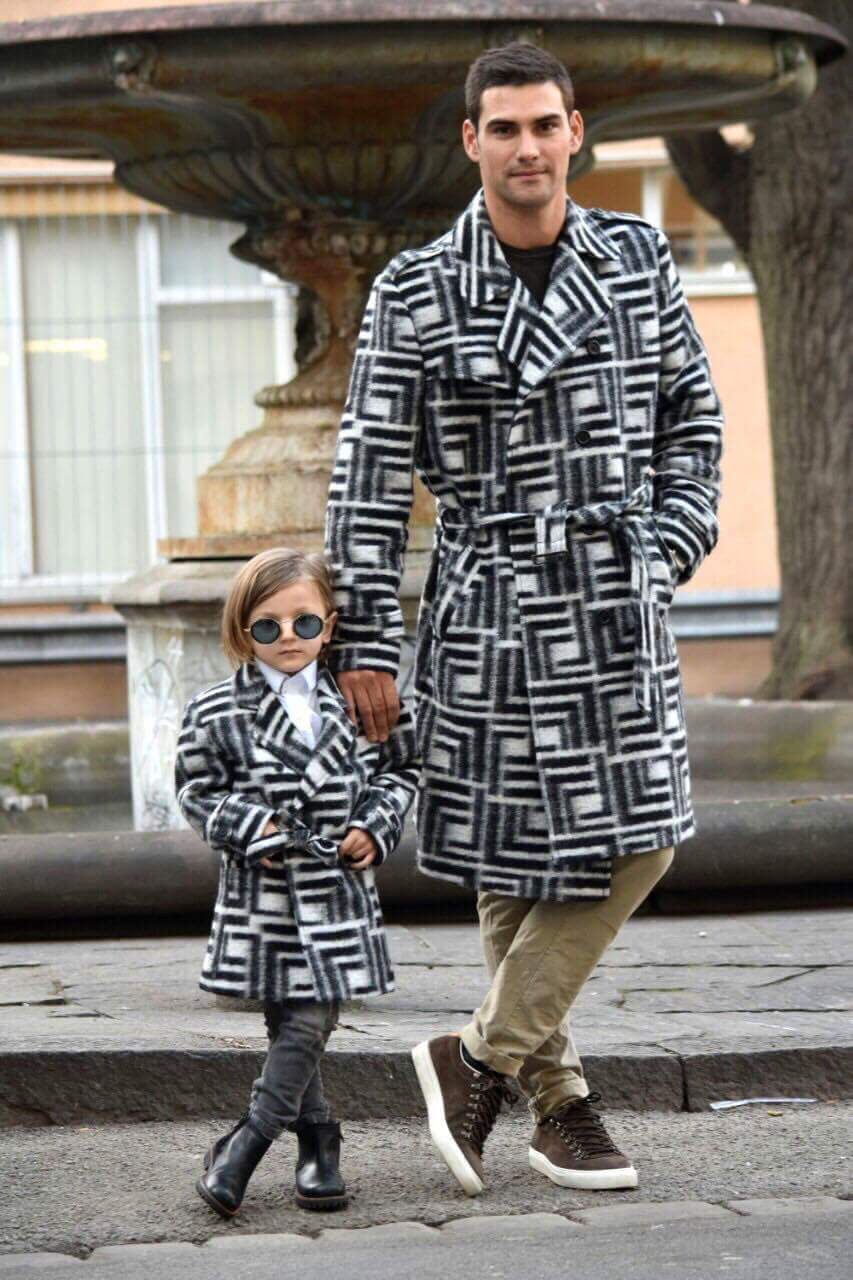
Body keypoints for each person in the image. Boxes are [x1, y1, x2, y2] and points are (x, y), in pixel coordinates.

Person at [324, 40, 723, 1197]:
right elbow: (367, 478)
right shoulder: (413, 287)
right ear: (472, 141)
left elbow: (692, 422)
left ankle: (476, 1055)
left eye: (544, 124)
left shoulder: (636, 257)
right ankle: (561, 1105)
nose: (527, 146)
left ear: (575, 131)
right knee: (514, 860)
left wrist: (661, 548)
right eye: (503, 127)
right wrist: (365, 641)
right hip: (489, 602)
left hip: (612, 596)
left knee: (644, 831)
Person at [174, 547, 419, 1215]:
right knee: (290, 1020)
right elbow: (195, 791)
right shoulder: (215, 710)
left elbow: (401, 770)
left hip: (337, 891)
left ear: (329, 626)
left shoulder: (362, 702)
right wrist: (251, 825)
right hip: (263, 894)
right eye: (268, 626)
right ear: (241, 630)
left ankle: (245, 1145)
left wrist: (374, 822)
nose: (288, 637)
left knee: (309, 1020)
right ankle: (318, 1140)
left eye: (304, 623)